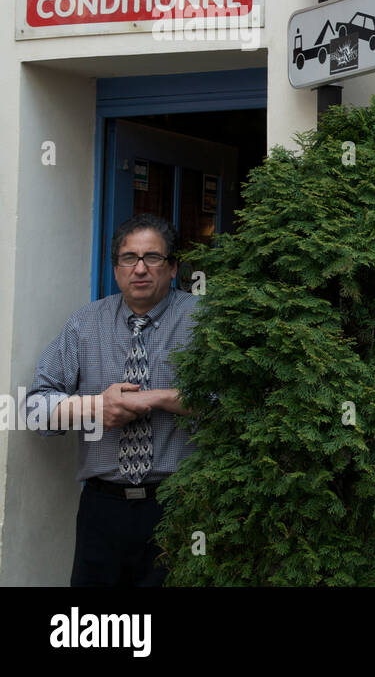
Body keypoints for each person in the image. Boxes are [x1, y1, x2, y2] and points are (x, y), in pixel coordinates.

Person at [28, 214, 199, 586]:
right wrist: (95, 408)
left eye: (152, 258)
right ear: (116, 268)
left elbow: (229, 401)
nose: (140, 269)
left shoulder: (203, 322)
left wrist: (156, 398)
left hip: (179, 504)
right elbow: (35, 410)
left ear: (172, 269)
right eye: (129, 258)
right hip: (102, 510)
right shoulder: (83, 324)